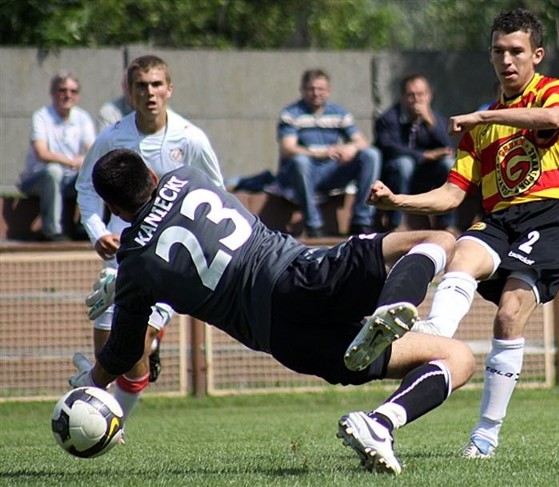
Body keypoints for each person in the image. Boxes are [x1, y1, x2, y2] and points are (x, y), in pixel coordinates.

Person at [69, 148, 476, 475]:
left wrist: (90, 380)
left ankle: (379, 424)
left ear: (116, 211)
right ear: (153, 176)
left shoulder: (137, 267)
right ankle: (391, 308)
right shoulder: (186, 177)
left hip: (284, 339)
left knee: (457, 356)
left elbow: (123, 351)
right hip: (299, 277)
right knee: (437, 238)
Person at [368, 8, 559, 459]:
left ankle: (485, 435)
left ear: (536, 55)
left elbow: (549, 119)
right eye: (498, 51)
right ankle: (435, 332)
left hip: (552, 216)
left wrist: (484, 118)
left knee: (508, 315)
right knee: (460, 253)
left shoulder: (552, 91)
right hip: (501, 219)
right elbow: (452, 196)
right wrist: (399, 202)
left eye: (516, 51)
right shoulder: (481, 122)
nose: (507, 60)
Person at [76, 54, 224, 420]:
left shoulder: (191, 140)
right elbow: (86, 188)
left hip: (168, 257)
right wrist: (98, 233)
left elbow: (215, 192)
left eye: (157, 84)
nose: (150, 93)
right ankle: (142, 358)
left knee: (133, 344)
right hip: (120, 255)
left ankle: (114, 423)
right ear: (129, 92)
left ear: (169, 89)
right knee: (109, 351)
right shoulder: (113, 138)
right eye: (141, 85)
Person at [276, 68, 381, 238]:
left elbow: (361, 141)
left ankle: (361, 221)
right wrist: (322, 153)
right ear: (303, 90)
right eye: (311, 89)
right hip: (300, 175)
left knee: (371, 155)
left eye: (321, 89)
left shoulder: (339, 113)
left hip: (331, 172)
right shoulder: (291, 114)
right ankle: (314, 225)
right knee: (300, 161)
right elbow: (288, 148)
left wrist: (350, 148)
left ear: (328, 90)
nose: (316, 93)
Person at [374, 74, 457, 233]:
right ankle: (395, 224)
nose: (416, 99)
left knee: (449, 164)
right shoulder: (389, 118)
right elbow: (389, 147)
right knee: (404, 164)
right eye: (411, 95)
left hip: (425, 174)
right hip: (396, 174)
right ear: (403, 97)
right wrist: (423, 155)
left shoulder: (435, 117)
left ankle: (445, 223)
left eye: (421, 94)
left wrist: (429, 122)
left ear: (429, 95)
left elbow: (448, 147)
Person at [18, 71, 96, 241]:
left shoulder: (82, 118)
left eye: (73, 91)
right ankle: (51, 231)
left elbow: (93, 150)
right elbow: (41, 152)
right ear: (53, 93)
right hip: (37, 179)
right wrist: (70, 162)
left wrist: (84, 160)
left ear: (78, 95)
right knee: (54, 171)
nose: (68, 95)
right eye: (62, 90)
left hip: (69, 180)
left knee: (92, 171)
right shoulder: (41, 116)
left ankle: (85, 227)